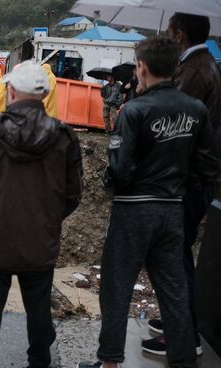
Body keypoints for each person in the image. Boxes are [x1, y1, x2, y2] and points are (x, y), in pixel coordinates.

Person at [77, 36, 218, 368]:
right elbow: (208, 166)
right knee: (174, 290)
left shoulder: (134, 111)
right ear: (174, 67)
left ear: (141, 67)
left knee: (116, 288)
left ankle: (109, 362)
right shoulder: (196, 110)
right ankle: (183, 361)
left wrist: (109, 182)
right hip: (172, 210)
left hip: (133, 211)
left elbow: (120, 169)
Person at [0, 60, 83, 368]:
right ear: (43, 94)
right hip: (40, 239)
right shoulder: (64, 136)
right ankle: (40, 360)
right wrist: (47, 218)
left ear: (10, 90)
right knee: (39, 306)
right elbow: (72, 195)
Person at [141, 12, 221, 356]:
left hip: (187, 180)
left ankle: (182, 334)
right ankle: (181, 319)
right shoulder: (202, 65)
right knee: (178, 253)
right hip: (195, 177)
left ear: (179, 35)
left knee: (173, 257)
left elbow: (173, 123)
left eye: (171, 32)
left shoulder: (195, 71)